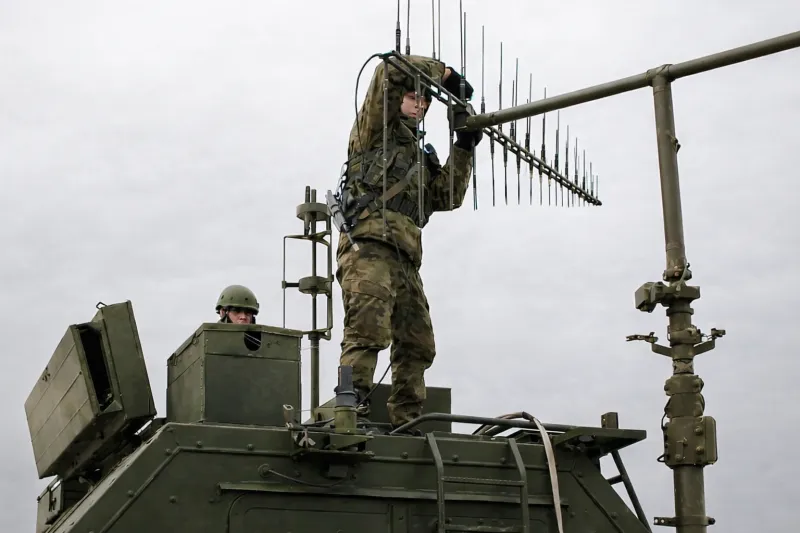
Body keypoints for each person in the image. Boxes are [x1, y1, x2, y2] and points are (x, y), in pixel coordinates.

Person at [334, 54, 483, 430]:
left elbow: (446, 196)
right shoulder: (374, 130)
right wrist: (444, 74)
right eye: (414, 96)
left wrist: (464, 146)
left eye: (426, 100)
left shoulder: (420, 156)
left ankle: (407, 419)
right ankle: (351, 410)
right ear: (397, 97)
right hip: (367, 248)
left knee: (418, 343)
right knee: (368, 329)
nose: (421, 104)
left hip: (405, 257)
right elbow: (389, 69)